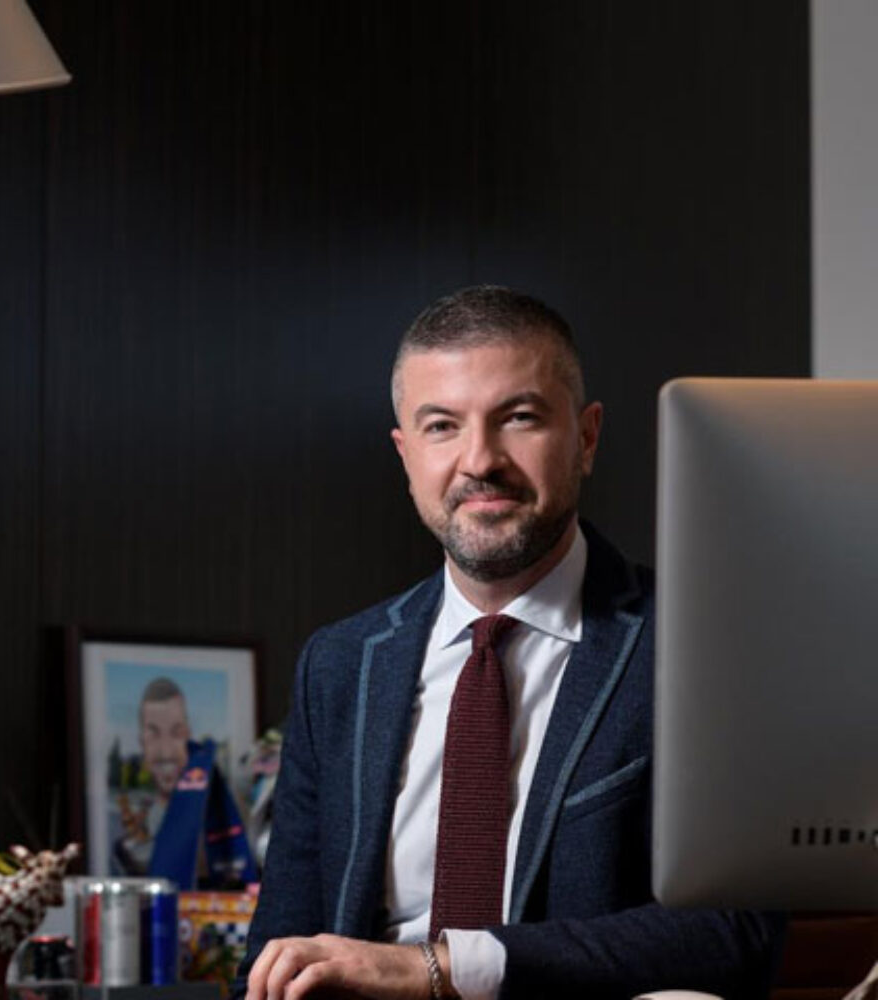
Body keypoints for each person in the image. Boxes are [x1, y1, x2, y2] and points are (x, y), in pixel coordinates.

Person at [238, 287, 781, 1000]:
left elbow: (734, 930)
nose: (480, 460)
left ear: (586, 438)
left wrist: (440, 968)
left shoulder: (698, 646)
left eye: (518, 418)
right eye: (441, 426)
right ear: (406, 455)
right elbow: (278, 951)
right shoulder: (339, 664)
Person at [113, 677, 193, 874]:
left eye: (176, 733)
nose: (166, 752)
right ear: (142, 742)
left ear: (188, 736)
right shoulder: (127, 846)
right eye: (153, 734)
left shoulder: (212, 825)